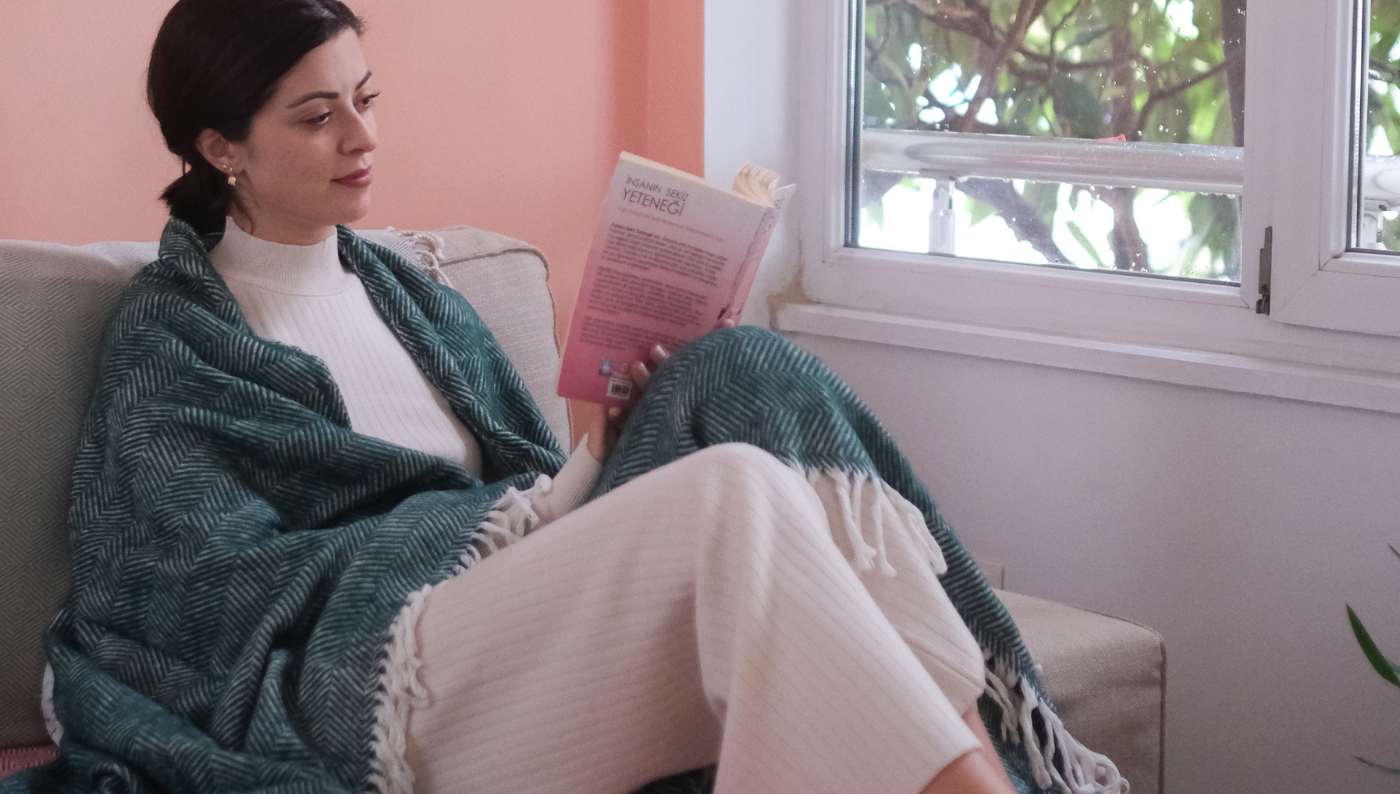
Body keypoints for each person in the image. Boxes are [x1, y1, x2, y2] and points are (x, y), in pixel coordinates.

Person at [6, 1, 1125, 793]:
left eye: (367, 98)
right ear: (220, 146)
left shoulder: (417, 293)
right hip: (376, 679)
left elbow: (527, 501)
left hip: (519, 628)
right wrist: (519, 515)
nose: (363, 137)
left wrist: (600, 448)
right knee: (737, 488)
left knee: (740, 371)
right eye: (315, 116)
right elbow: (205, 597)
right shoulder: (173, 342)